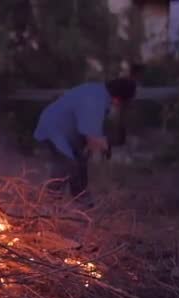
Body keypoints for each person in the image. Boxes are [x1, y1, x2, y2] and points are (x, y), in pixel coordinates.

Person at [33, 77, 138, 208]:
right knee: (67, 164)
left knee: (79, 163)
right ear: (118, 99)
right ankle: (47, 207)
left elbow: (89, 136)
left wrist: (95, 145)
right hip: (55, 129)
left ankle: (83, 203)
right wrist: (106, 145)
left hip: (65, 130)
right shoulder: (96, 101)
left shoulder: (98, 92)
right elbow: (91, 136)